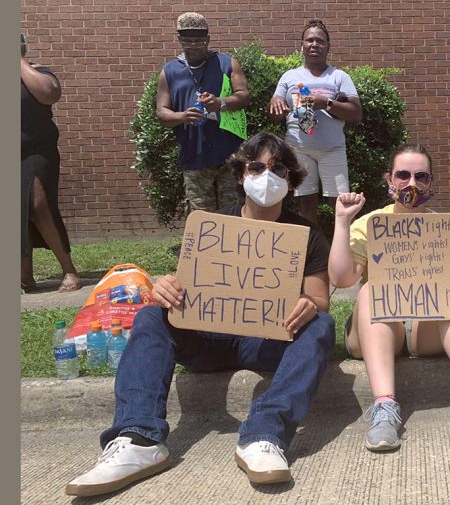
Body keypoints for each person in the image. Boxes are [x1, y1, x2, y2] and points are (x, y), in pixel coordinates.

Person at [65, 133, 336, 496]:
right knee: (150, 316)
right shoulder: (210, 226)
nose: (266, 175)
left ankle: (264, 435)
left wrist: (308, 304)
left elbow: (320, 299)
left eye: (278, 168)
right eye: (256, 166)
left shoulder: (306, 233)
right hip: (207, 337)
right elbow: (185, 284)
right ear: (241, 175)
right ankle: (138, 439)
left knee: (321, 324)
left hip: (267, 340)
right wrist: (166, 287)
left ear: (290, 180)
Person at [329, 144, 450, 451]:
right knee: (371, 290)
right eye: (403, 175)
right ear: (389, 180)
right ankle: (385, 407)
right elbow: (341, 278)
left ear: (430, 183)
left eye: (420, 176)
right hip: (378, 329)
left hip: (425, 331)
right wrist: (341, 222)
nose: (411, 184)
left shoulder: (443, 228)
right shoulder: (371, 224)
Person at [269, 18, 363, 224]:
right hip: (298, 149)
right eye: (309, 40)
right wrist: (276, 101)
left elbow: (356, 114)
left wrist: (326, 103)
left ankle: (345, 249)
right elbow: (276, 112)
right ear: (301, 44)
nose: (314, 44)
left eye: (320, 41)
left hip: (333, 149)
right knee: (305, 203)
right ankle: (312, 249)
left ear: (328, 46)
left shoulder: (339, 77)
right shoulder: (289, 77)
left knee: (339, 203)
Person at [156, 12, 250, 213]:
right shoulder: (169, 71)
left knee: (233, 214)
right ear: (180, 40)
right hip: (194, 157)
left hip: (230, 155)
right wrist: (182, 116)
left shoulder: (226, 63)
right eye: (188, 40)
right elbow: (162, 113)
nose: (194, 45)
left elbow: (244, 96)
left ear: (208, 39)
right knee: (201, 221)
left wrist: (221, 103)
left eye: (199, 40)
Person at [20, 32, 81, 293]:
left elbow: (49, 94)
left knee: (38, 204)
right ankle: (25, 275)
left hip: (36, 150)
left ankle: (68, 269)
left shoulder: (37, 71)